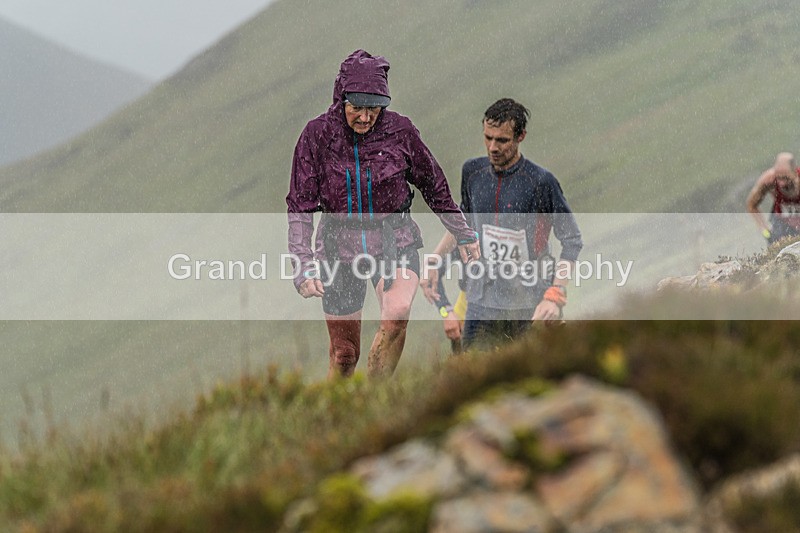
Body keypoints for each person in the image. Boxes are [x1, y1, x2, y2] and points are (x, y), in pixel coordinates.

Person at [286, 50, 480, 379]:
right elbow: (300, 206)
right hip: (337, 246)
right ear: (341, 98)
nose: (365, 117)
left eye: (374, 108)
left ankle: (375, 397)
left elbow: (435, 187)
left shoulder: (401, 132)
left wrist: (462, 233)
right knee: (345, 354)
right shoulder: (317, 136)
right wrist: (303, 265)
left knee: (397, 311)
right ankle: (338, 410)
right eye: (357, 107)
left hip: (394, 238)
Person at [421, 98, 582, 349]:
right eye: (488, 138)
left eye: (502, 140)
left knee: (536, 377)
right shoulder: (472, 173)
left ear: (521, 137)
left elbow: (572, 241)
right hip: (481, 299)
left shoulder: (541, 182)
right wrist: (434, 259)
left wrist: (555, 295)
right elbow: (463, 223)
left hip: (529, 300)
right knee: (470, 376)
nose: (493, 147)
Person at [746, 152, 800, 245]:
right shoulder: (768, 179)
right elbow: (751, 205)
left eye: (785, 178)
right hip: (782, 223)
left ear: (795, 171)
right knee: (776, 247)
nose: (781, 183)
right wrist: (765, 231)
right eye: (778, 178)